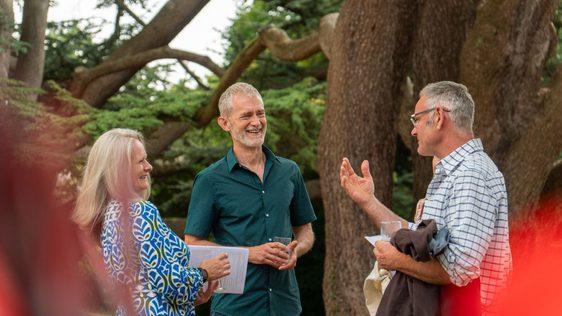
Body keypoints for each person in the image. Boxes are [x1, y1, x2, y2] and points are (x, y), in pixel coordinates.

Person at [340, 81, 512, 315]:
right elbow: (421, 240)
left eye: (417, 119)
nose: (413, 130)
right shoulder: (456, 173)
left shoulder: (471, 174)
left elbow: (459, 270)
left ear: (439, 116)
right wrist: (369, 201)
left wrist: (397, 261)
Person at [184, 82, 317, 316]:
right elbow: (192, 243)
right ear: (225, 123)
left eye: (260, 113)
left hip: (286, 306)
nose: (256, 122)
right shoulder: (209, 180)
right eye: (246, 115)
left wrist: (298, 250)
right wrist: (249, 254)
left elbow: (305, 230)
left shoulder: (289, 171)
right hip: (235, 308)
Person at [73, 128, 231, 316]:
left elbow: (146, 282)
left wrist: (192, 296)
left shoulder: (110, 213)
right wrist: (205, 272)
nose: (149, 167)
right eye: (141, 161)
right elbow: (168, 280)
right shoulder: (141, 211)